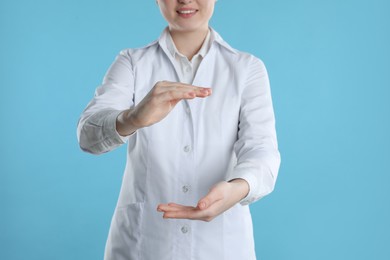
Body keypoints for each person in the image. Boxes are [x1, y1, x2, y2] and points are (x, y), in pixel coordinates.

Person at [77, 0, 281, 259]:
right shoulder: (131, 62)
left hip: (221, 248)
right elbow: (87, 136)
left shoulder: (247, 68)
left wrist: (238, 188)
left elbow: (262, 150)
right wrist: (133, 118)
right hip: (142, 246)